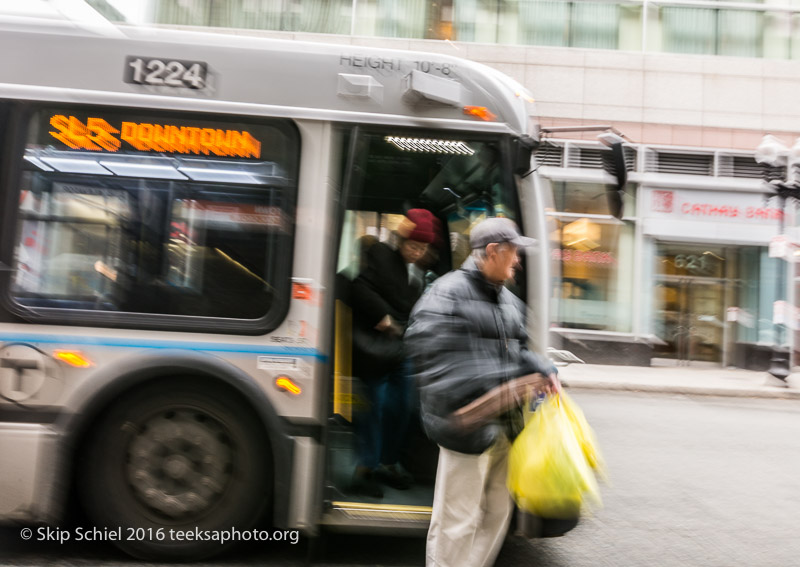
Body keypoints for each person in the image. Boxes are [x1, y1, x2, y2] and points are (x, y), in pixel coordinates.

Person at [404, 216, 560, 567]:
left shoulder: (508, 301)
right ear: (492, 251)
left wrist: (540, 366)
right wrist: (511, 384)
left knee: (494, 514)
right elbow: (436, 363)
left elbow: (515, 350)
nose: (518, 261)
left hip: (504, 427)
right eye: (514, 253)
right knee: (457, 522)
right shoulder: (446, 294)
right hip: (467, 427)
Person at [350, 208, 439, 498]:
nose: (416, 252)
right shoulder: (380, 255)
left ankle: (388, 463)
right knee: (374, 408)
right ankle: (364, 470)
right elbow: (358, 288)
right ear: (401, 241)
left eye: (422, 247)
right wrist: (383, 317)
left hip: (404, 349)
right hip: (376, 348)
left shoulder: (424, 268)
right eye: (413, 246)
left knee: (401, 408)